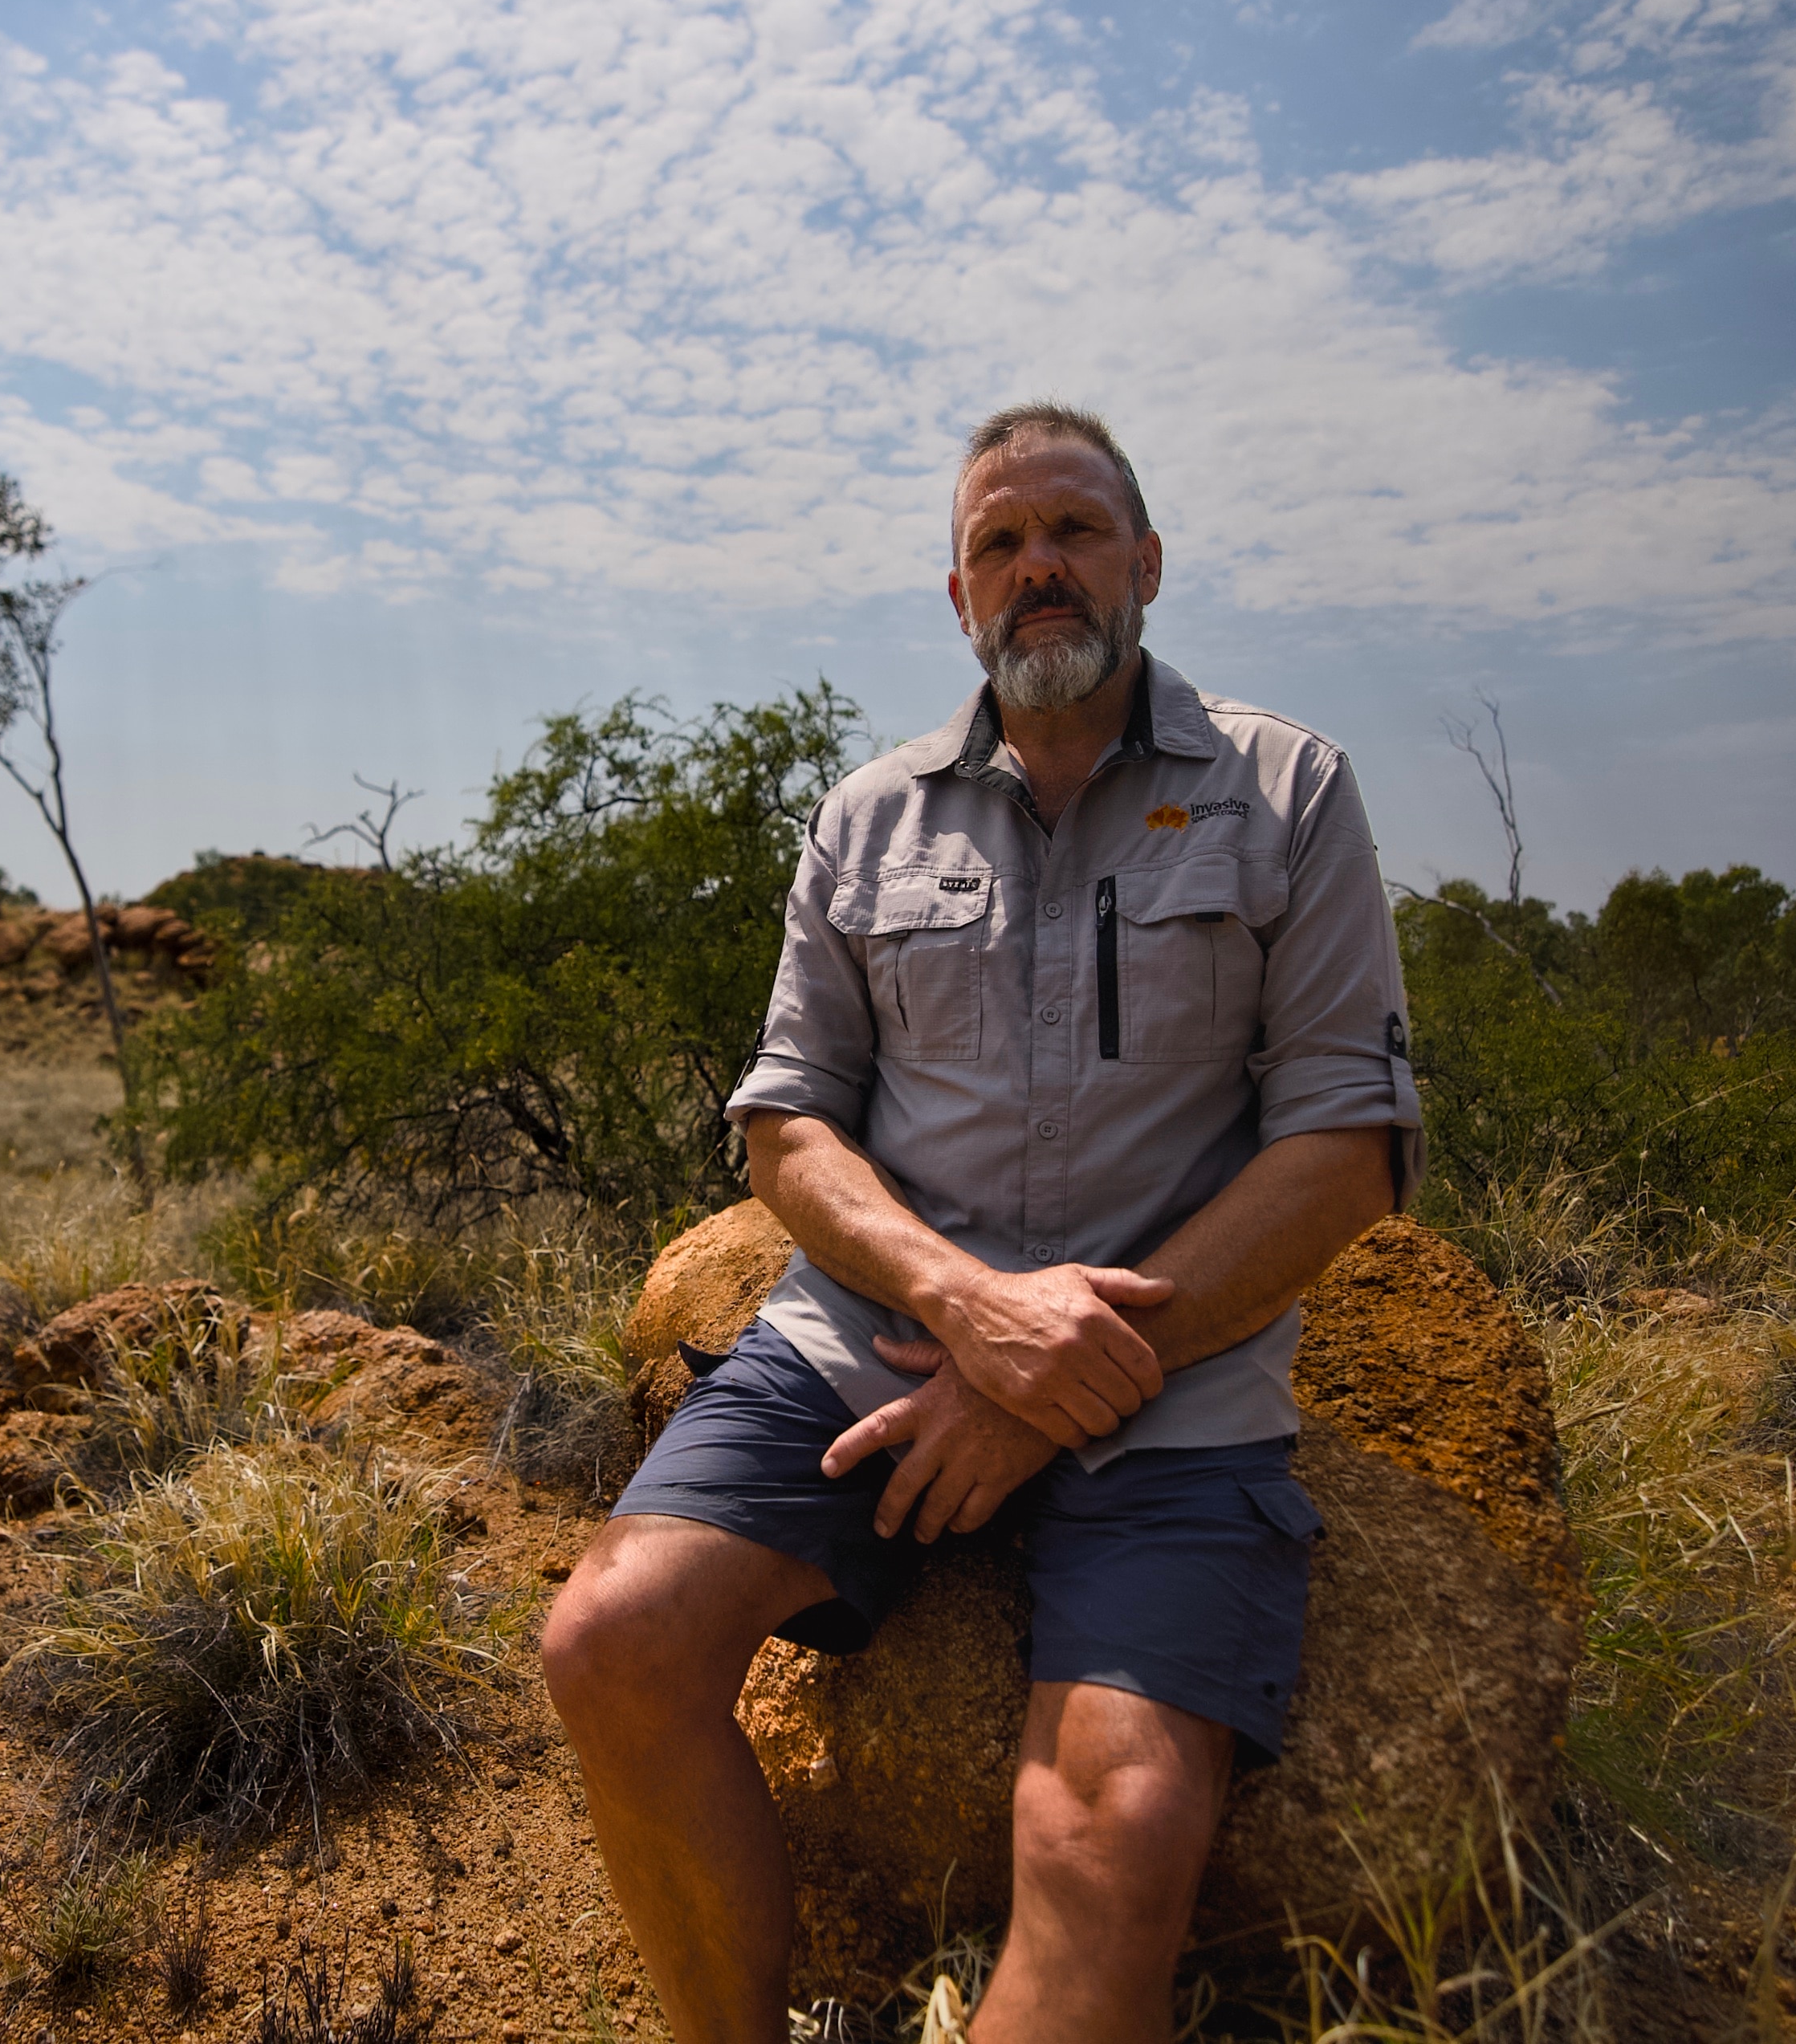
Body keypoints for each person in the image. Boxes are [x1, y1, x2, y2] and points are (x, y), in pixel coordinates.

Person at [540, 402, 1425, 2042]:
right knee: (608, 1639)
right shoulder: (865, 819)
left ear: (1145, 565)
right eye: (1000, 544)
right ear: (957, 596)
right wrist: (967, 1307)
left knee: (1117, 1822)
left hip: (1174, 1388)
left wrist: (1053, 1369)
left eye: (1075, 532)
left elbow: (1346, 1147)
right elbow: (789, 1128)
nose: (1040, 569)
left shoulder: (1286, 791)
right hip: (865, 1344)